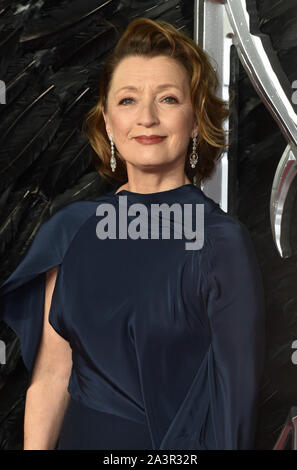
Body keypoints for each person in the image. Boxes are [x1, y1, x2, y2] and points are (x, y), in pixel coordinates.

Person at [0, 17, 265, 450]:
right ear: (107, 121)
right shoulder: (72, 230)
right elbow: (52, 377)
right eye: (127, 100)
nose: (146, 117)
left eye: (168, 98)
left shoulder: (221, 242)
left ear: (197, 118)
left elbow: (235, 409)